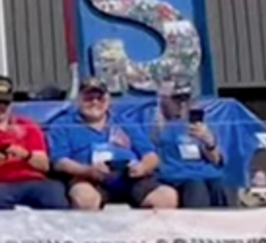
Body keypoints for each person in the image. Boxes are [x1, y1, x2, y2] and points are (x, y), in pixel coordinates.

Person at [49, 78, 176, 210]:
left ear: (108, 100)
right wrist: (87, 170)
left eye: (100, 98)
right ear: (78, 100)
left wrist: (142, 167)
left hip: (129, 177)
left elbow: (151, 156)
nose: (95, 102)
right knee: (84, 199)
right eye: (89, 98)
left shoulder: (125, 122)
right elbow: (59, 162)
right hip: (88, 178)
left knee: (166, 197)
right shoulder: (63, 124)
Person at [0, 75, 68, 210]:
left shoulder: (28, 125)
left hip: (33, 181)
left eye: (5, 102)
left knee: (55, 195)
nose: (0, 107)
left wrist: (26, 155)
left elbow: (44, 165)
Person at [154, 82, 232, 209]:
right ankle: (197, 226)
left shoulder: (198, 125)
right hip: (177, 174)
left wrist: (209, 142)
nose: (183, 104)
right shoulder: (157, 125)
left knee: (219, 184)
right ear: (164, 100)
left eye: (186, 99)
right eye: (177, 100)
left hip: (205, 173)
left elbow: (216, 160)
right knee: (196, 186)